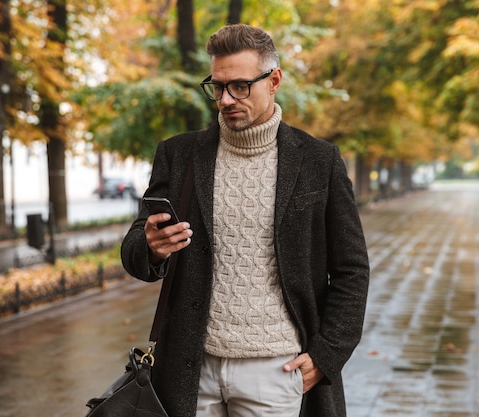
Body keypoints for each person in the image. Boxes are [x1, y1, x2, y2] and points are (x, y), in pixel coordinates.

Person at [121, 23, 369, 417]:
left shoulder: (319, 161)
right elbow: (135, 251)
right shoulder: (179, 155)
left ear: (274, 81)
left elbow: (351, 269)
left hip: (276, 369)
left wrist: (327, 354)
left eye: (239, 86)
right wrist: (150, 249)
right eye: (217, 87)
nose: (224, 99)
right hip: (190, 369)